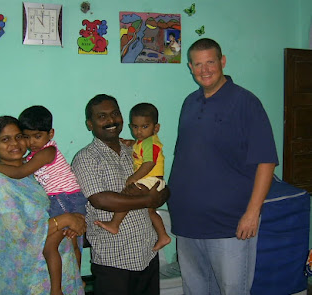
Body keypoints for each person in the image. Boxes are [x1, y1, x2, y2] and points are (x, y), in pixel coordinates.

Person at [167, 38, 278, 295]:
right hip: (188, 223)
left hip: (229, 225)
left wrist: (252, 214)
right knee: (195, 291)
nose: (204, 70)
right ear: (190, 67)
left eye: (210, 62)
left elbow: (266, 161)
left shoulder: (246, 103)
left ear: (222, 62)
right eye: (198, 64)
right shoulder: (189, 103)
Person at [0, 107, 87, 295]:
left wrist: (73, 221)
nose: (16, 143)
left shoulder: (31, 175)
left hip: (61, 271)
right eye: (5, 139)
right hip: (31, 278)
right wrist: (66, 220)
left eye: (19, 136)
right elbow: (19, 233)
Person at [72, 94, 169, 295]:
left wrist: (163, 193)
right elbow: (100, 200)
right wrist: (148, 200)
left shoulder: (134, 150)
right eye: (102, 116)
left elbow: (158, 180)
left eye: (115, 114)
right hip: (114, 259)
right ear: (90, 124)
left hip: (147, 253)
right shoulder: (86, 158)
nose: (111, 120)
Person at [94, 102, 171, 251]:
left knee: (127, 195)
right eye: (135, 127)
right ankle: (163, 235)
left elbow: (149, 163)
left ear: (156, 128)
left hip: (150, 179)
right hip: (154, 181)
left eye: (144, 127)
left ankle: (114, 224)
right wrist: (133, 143)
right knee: (150, 211)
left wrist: (134, 178)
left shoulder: (149, 142)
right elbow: (141, 150)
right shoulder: (143, 142)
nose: (139, 131)